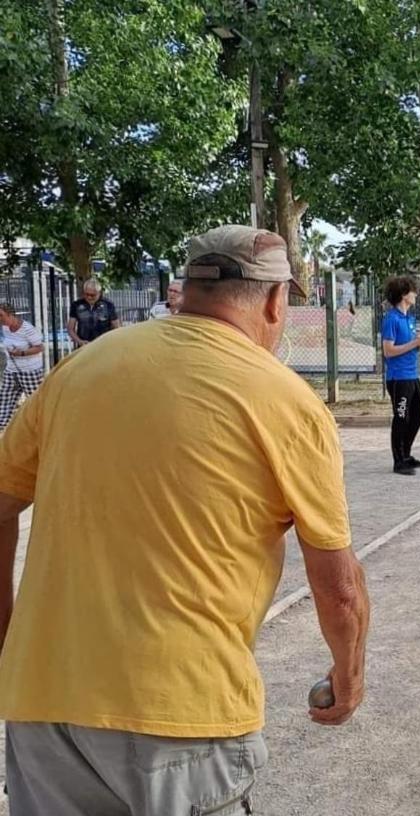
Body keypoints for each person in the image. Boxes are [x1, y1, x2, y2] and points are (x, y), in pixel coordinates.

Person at [0, 225, 370, 815]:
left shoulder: (77, 372)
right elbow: (340, 587)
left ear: (188, 289)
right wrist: (348, 678)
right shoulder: (285, 402)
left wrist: (10, 642)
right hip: (182, 712)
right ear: (276, 300)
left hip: (41, 706)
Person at [381, 275, 420, 475]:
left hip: (412, 375)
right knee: (401, 417)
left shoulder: (409, 319)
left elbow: (409, 347)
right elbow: (388, 351)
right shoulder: (391, 319)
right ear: (404, 295)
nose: (415, 294)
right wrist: (415, 343)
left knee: (418, 415)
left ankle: (406, 455)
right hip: (398, 378)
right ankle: (398, 461)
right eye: (412, 291)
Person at [0, 305, 45, 430]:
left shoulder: (27, 329)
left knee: (34, 399)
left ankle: (41, 424)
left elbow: (40, 347)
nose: (0, 319)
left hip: (30, 371)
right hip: (12, 369)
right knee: (5, 397)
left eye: (1, 315)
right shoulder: (5, 327)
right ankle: (2, 425)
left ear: (10, 315)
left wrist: (21, 353)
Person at [67, 277, 121, 346]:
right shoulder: (76, 305)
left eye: (92, 295)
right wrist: (80, 341)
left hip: (103, 345)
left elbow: (117, 327)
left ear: (99, 293)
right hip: (84, 346)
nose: (89, 297)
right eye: (86, 294)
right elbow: (70, 328)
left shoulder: (108, 305)